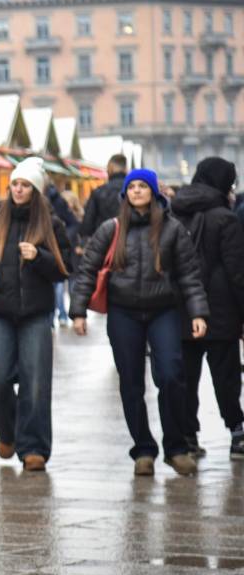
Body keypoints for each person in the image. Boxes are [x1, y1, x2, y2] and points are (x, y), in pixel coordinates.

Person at [69, 168, 209, 477]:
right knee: (131, 382)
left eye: (142, 186)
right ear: (125, 194)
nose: (135, 191)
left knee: (172, 375)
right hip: (124, 313)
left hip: (164, 311)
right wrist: (78, 311)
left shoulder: (173, 229)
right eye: (131, 186)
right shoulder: (111, 228)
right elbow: (88, 269)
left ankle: (175, 447)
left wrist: (198, 313)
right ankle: (143, 450)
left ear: (154, 192)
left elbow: (189, 275)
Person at [0, 157, 72, 473]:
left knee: (35, 382)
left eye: (25, 185)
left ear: (36, 190)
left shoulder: (51, 225)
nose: (19, 190)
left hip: (36, 314)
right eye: (15, 184)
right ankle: (7, 429)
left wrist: (39, 257)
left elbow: (66, 269)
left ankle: (33, 447)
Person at [169, 158, 244, 460]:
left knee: (186, 374)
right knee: (225, 374)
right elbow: (237, 271)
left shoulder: (173, 212)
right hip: (221, 309)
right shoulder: (225, 218)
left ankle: (188, 435)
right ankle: (237, 431)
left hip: (181, 306)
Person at [46, 182, 79, 327]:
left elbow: (74, 224)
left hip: (61, 253)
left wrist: (64, 238)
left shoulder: (57, 202)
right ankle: (56, 317)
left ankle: (62, 315)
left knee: (59, 288)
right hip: (48, 253)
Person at [79, 153, 128, 242]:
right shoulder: (132, 191)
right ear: (126, 169)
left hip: (104, 241)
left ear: (109, 169)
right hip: (127, 239)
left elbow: (88, 223)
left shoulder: (98, 192)